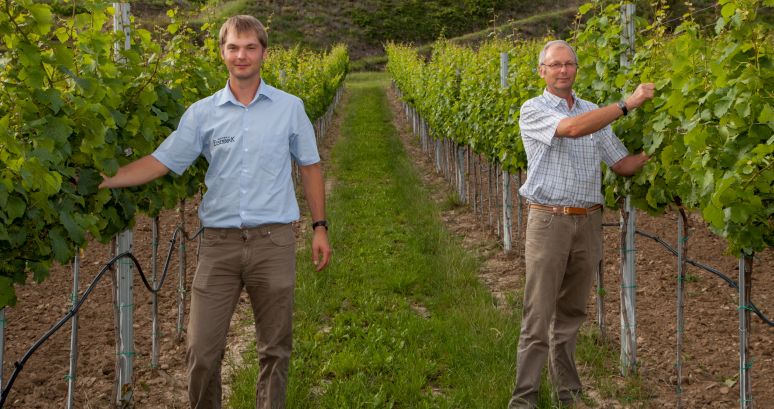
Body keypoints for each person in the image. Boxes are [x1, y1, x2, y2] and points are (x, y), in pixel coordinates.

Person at [99, 15, 331, 409]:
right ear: (222, 53)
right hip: (219, 246)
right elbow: (162, 160)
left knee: (275, 349)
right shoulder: (202, 113)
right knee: (202, 353)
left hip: (272, 241)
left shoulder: (290, 108)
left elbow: (310, 166)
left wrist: (319, 227)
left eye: (250, 47)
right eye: (233, 47)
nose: (242, 56)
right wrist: (106, 179)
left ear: (264, 53)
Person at [509, 40, 654, 408]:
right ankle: (524, 399)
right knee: (538, 316)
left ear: (576, 69)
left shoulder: (593, 111)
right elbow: (572, 129)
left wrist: (662, 149)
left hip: (588, 222)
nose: (563, 70)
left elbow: (620, 164)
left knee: (572, 314)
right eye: (555, 64)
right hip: (549, 222)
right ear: (541, 71)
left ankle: (568, 395)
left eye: (569, 64)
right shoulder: (533, 109)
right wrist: (626, 105)